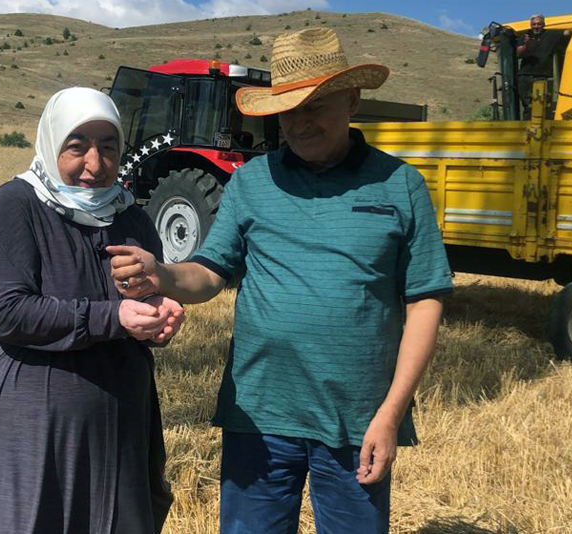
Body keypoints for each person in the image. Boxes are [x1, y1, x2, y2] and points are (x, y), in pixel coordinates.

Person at [108, 28, 453, 534]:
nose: (300, 120)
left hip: (357, 418)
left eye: (315, 104)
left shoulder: (400, 186)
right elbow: (208, 274)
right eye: (288, 108)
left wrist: (391, 414)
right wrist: (160, 273)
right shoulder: (252, 182)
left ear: (352, 99)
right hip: (259, 414)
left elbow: (425, 301)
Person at [0, 87, 183, 534]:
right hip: (26, 439)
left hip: (117, 433)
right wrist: (113, 318)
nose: (95, 164)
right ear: (52, 143)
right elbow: (6, 312)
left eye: (108, 147)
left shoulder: (131, 219)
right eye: (77, 146)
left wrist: (159, 318)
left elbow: (142, 304)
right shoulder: (12, 207)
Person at [516, 13, 572, 118]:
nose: (536, 26)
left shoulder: (551, 35)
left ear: (543, 25)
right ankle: (526, 127)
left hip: (542, 76)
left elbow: (566, 32)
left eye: (539, 24)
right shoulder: (525, 36)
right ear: (531, 25)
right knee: (528, 106)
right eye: (534, 24)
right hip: (525, 76)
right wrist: (526, 44)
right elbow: (518, 53)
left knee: (543, 106)